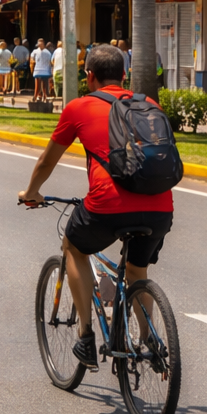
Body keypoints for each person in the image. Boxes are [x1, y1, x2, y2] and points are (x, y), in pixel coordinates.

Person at [19, 45, 174, 370]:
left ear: (89, 76)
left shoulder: (79, 107)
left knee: (74, 246)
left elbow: (48, 160)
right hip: (160, 207)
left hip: (108, 205)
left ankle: (86, 336)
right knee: (135, 271)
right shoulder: (148, 106)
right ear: (124, 74)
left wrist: (31, 192)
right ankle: (150, 340)